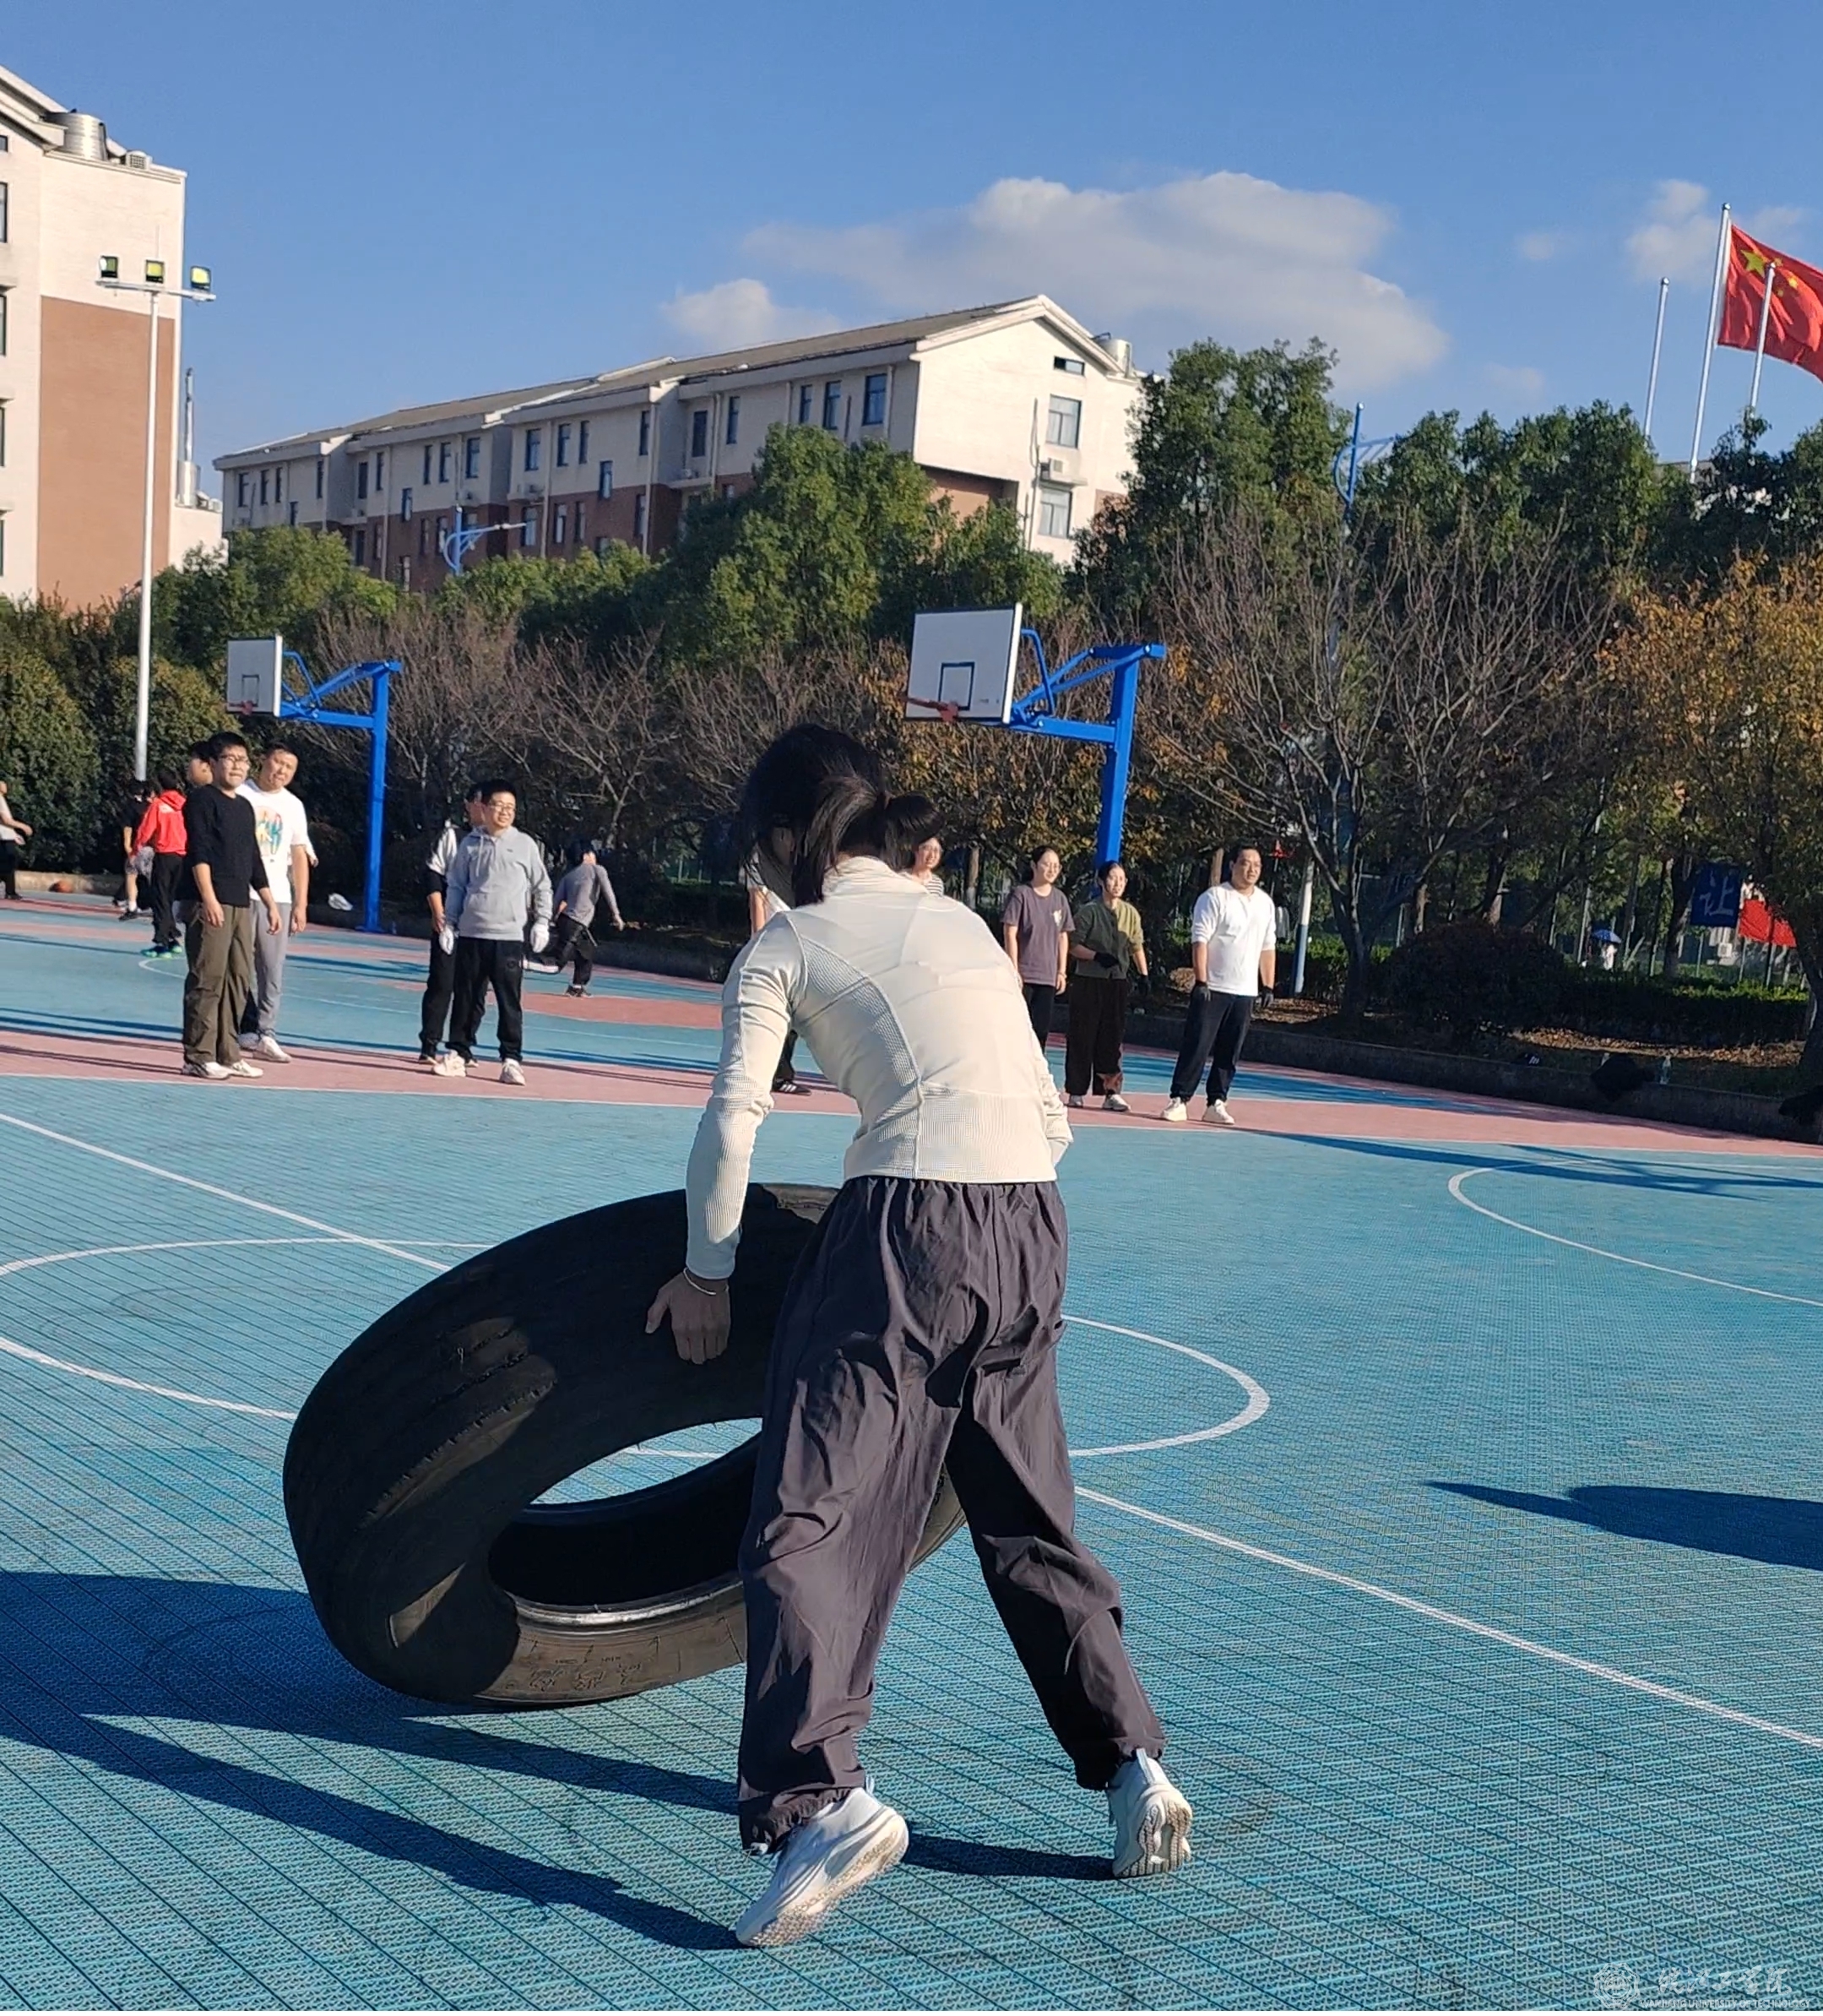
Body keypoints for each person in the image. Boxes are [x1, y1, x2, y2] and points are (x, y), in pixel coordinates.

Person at [644, 725, 1191, 1949]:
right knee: (1027, 1514)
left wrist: (705, 1273)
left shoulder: (785, 943)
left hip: (904, 1229)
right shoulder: (956, 922)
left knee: (805, 1518)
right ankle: (1133, 1768)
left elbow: (732, 1122)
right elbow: (1048, 1113)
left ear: (784, 837)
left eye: (756, 850)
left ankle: (817, 1800)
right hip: (1030, 1221)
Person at [179, 732, 282, 1080]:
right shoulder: (201, 801)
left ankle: (228, 1052)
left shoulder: (244, 806)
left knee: (238, 979)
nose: (238, 766)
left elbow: (253, 858)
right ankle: (198, 1055)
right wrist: (208, 898)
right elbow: (199, 851)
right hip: (211, 901)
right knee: (207, 978)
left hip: (241, 902)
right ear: (213, 763)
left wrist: (269, 902)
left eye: (243, 760)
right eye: (230, 759)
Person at [435, 781, 551, 1085]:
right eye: (499, 805)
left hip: (509, 937)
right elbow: (457, 886)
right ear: (484, 808)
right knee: (466, 997)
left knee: (508, 1000)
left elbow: (542, 886)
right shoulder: (470, 845)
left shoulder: (525, 845)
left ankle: (511, 1059)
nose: (505, 812)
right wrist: (450, 924)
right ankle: (458, 1053)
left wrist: (542, 921)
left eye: (511, 807)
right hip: (473, 934)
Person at [1163, 844, 1277, 1127]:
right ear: (1232, 865)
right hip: (1213, 988)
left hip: (1245, 991)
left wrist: (1268, 985)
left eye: (1257, 865)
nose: (1251, 870)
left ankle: (1217, 1101)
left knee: (1230, 1051)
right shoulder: (1214, 897)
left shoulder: (1265, 904)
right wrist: (1201, 980)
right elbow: (1200, 940)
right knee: (1198, 1045)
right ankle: (1180, 1099)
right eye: (1246, 863)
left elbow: (1268, 946)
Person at [236, 744, 316, 1063]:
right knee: (237, 966)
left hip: (278, 897)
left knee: (271, 968)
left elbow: (299, 854)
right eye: (278, 762)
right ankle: (244, 1026)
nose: (281, 771)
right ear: (264, 761)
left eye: (289, 767)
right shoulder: (241, 794)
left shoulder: (293, 805)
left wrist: (301, 903)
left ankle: (266, 1032)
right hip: (240, 894)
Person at [1066, 861, 1148, 1113]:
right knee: (1082, 1035)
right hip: (1089, 981)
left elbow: (1136, 945)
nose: (1118, 883)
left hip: (1117, 982)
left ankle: (1111, 1092)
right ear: (1101, 881)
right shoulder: (1088, 912)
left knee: (1112, 1038)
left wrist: (1144, 974)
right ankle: (1076, 1090)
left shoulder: (1131, 913)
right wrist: (1095, 957)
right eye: (1113, 878)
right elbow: (1072, 945)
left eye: (1122, 879)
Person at [419, 786, 486, 1065]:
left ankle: (463, 1046)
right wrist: (438, 913)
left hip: (482, 928)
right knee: (442, 983)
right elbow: (433, 875)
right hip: (451, 924)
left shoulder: (502, 844)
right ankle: (429, 1044)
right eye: (479, 802)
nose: (485, 808)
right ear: (468, 805)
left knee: (475, 990)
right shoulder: (453, 836)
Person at [745, 850, 808, 1095]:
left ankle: (778, 1072)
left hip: (798, 942)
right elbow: (757, 900)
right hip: (775, 945)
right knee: (773, 1011)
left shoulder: (801, 855)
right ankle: (773, 1074)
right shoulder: (759, 857)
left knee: (793, 1013)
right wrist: (759, 942)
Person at [1001, 845, 1071, 1053]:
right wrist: (1014, 969)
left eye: (1056, 866)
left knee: (1040, 1031)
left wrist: (1061, 971)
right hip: (1024, 975)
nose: (1052, 869)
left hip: (1047, 977)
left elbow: (1063, 936)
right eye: (1047, 864)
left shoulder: (1060, 899)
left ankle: (1035, 1069)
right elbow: (1010, 932)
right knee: (1017, 1028)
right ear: (1034, 865)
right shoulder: (1021, 894)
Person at [551, 840, 626, 997]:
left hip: (565, 920)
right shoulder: (598, 870)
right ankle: (523, 962)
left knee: (586, 952)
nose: (595, 856)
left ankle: (577, 987)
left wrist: (549, 920)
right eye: (592, 853)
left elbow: (557, 901)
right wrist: (616, 914)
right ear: (585, 855)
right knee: (557, 961)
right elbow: (608, 891)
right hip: (576, 922)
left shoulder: (569, 876)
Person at [137, 773, 189, 956]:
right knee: (169, 900)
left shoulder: (158, 805)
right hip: (183, 857)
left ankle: (162, 942)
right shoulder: (185, 805)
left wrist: (136, 849)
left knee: (160, 899)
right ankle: (173, 938)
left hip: (164, 855)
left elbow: (146, 830)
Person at [114, 780, 151, 920]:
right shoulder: (152, 806)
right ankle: (148, 904)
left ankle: (131, 905)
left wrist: (127, 846)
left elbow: (127, 827)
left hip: (137, 845)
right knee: (149, 877)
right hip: (151, 847)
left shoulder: (131, 807)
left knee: (131, 874)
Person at [0, 781, 30, 900]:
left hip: (6, 836)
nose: (5, 786)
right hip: (3, 838)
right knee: (9, 863)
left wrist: (14, 835)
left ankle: (10, 891)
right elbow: (5, 820)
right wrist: (23, 826)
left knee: (8, 863)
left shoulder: (2, 799)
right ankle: (10, 891)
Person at [903, 812, 945, 894]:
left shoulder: (937, 883)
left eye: (936, 850)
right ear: (916, 850)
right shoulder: (901, 878)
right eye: (927, 849)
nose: (932, 855)